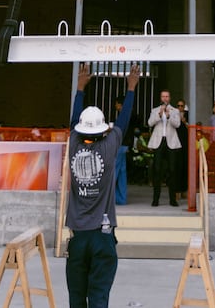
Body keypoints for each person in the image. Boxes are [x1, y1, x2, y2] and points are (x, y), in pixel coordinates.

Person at [66, 63, 139, 308]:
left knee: (77, 298)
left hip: (78, 236)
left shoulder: (73, 144)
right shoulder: (109, 148)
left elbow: (75, 120)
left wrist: (80, 88)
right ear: (103, 129)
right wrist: (130, 88)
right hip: (103, 236)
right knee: (99, 298)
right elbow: (124, 120)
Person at [146, 89, 182, 207]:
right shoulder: (155, 110)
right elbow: (150, 123)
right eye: (163, 96)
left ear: (169, 98)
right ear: (160, 98)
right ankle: (155, 199)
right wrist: (159, 115)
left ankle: (173, 199)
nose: (165, 98)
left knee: (172, 170)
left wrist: (169, 115)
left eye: (167, 96)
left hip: (171, 142)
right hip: (159, 142)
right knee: (157, 170)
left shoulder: (175, 111)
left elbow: (177, 124)